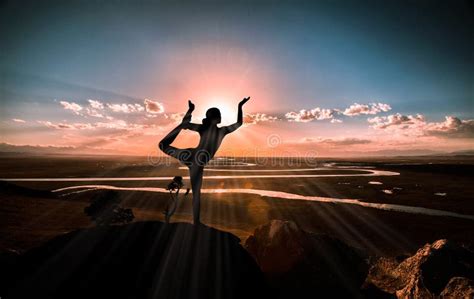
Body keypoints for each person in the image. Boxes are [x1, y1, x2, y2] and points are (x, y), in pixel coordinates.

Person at [159, 97, 250, 225]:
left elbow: (239, 123)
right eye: (219, 115)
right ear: (214, 118)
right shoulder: (217, 130)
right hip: (194, 158)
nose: (221, 117)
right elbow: (239, 123)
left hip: (192, 158)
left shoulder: (214, 130)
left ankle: (196, 222)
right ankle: (196, 222)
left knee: (164, 144)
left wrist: (240, 106)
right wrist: (189, 113)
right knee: (196, 192)